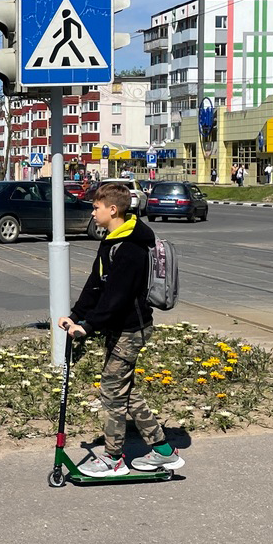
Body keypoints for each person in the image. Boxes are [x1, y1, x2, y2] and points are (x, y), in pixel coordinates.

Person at [56, 183, 184, 477]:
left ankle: (113, 459)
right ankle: (163, 450)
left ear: (113, 209)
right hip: (119, 326)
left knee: (112, 391)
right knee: (124, 391)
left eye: (96, 207)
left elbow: (116, 298)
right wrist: (76, 315)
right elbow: (95, 284)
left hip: (131, 329)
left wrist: (87, 326)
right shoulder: (111, 241)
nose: (92, 211)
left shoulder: (131, 248)